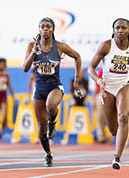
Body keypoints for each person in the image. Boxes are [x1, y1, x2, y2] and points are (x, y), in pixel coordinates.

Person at [88, 18, 129, 170]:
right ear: (113, 30)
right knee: (113, 129)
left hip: (124, 86)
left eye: (123, 28)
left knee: (123, 116)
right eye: (117, 28)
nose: (120, 30)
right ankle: (118, 136)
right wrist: (98, 81)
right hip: (107, 87)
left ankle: (117, 157)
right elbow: (90, 68)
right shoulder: (106, 46)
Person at [23, 17, 82, 167]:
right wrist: (33, 53)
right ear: (39, 29)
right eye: (42, 26)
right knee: (41, 131)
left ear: (53, 29)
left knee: (51, 105)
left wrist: (76, 79)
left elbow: (77, 57)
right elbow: (25, 68)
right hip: (39, 90)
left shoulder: (60, 47)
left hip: (55, 87)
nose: (45, 29)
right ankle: (48, 154)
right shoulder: (32, 45)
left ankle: (52, 123)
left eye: (48, 26)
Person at [93, 68, 107, 143]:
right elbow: (96, 86)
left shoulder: (113, 70)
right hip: (100, 94)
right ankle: (101, 136)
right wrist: (93, 99)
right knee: (99, 115)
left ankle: (115, 136)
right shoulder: (101, 71)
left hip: (112, 93)